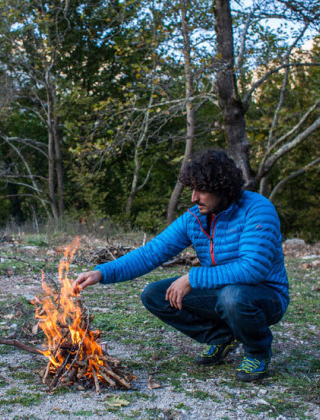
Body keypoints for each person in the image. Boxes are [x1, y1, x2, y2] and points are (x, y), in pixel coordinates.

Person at [73, 149, 288, 382]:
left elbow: (252, 269)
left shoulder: (257, 209)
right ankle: (221, 337)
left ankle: (257, 352)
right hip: (224, 291)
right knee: (155, 295)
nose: (194, 197)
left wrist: (192, 278)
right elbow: (150, 253)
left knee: (232, 296)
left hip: (265, 296)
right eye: (192, 189)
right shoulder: (195, 218)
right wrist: (101, 273)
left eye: (202, 190)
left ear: (223, 188)